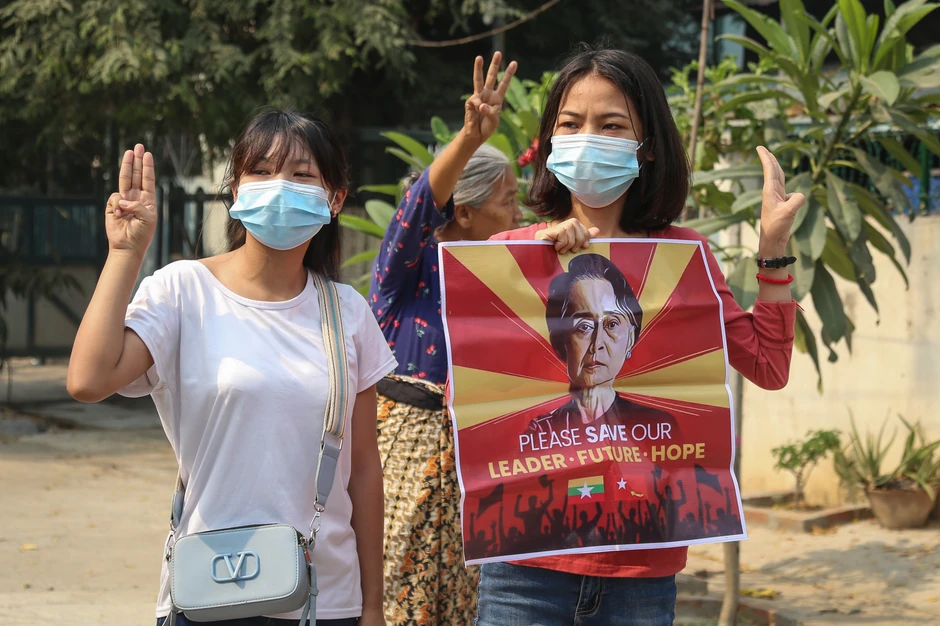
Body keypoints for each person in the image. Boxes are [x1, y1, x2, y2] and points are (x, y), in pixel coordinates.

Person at [478, 44, 804, 626]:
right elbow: (468, 387)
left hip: (641, 580)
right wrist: (532, 256)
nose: (588, 139)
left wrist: (773, 252)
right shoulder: (512, 257)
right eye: (571, 124)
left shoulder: (685, 256)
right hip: (524, 575)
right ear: (551, 142)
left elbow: (768, 367)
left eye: (611, 125)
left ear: (645, 144)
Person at [66, 110, 397, 626]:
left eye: (301, 175)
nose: (279, 187)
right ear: (237, 190)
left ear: (334, 198)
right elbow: (88, 380)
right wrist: (125, 254)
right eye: (261, 171)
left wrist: (373, 605)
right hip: (210, 590)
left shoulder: (347, 312)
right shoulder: (181, 291)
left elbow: (363, 470)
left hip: (325, 599)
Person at [369, 52, 522, 625]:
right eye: (508, 200)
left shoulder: (502, 277)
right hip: (403, 457)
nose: (518, 210)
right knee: (397, 601)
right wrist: (467, 138)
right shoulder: (405, 271)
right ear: (464, 211)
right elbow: (414, 212)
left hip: (477, 462)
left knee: (469, 605)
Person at [529, 253, 676, 435]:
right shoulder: (543, 432)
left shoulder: (656, 426)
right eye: (584, 327)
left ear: (630, 339)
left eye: (612, 324)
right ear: (560, 343)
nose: (597, 343)